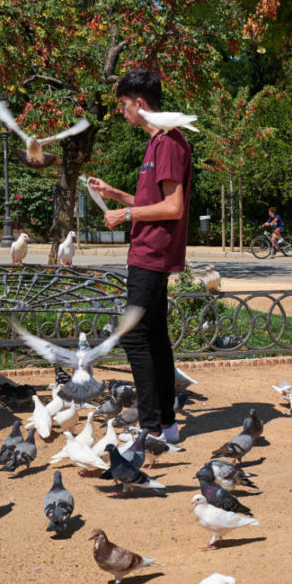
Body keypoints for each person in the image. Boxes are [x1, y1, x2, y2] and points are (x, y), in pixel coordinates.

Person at [86, 68, 191, 444]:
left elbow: (173, 207)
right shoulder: (156, 144)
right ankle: (166, 425)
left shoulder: (167, 143)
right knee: (155, 338)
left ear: (140, 104)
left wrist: (127, 215)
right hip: (147, 252)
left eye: (123, 105)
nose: (121, 111)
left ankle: (151, 428)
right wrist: (115, 195)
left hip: (152, 253)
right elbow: (153, 204)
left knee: (134, 338)